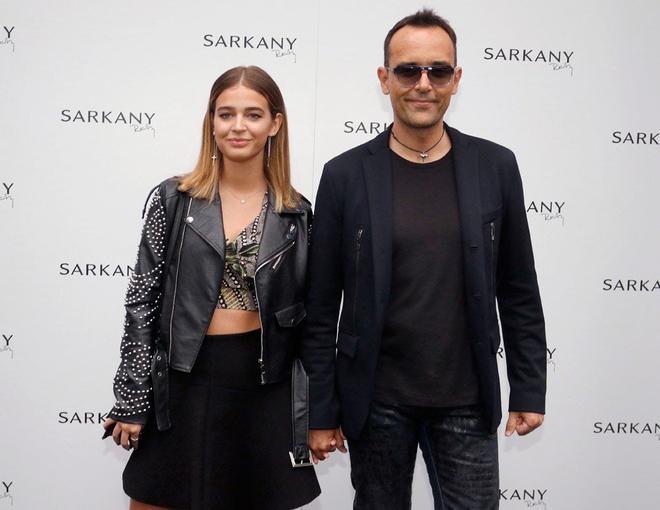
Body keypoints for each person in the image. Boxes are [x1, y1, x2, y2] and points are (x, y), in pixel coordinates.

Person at [302, 9, 547, 510]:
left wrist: (528, 387)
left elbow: (518, 286)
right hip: (375, 401)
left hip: (466, 398)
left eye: (438, 71)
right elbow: (320, 307)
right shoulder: (345, 175)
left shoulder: (495, 166)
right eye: (408, 70)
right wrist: (321, 410)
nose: (423, 84)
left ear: (456, 80)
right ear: (384, 78)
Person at [103, 65, 320, 510]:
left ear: (275, 124)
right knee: (154, 500)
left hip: (262, 385)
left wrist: (315, 413)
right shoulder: (174, 198)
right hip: (183, 377)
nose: (238, 126)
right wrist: (131, 396)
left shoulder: (296, 214)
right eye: (226, 114)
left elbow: (309, 323)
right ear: (211, 121)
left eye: (253, 115)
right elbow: (142, 301)